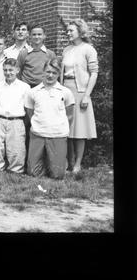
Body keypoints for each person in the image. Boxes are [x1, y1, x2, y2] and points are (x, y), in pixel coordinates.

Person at [25, 59, 75, 179]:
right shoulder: (33, 92)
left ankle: (57, 163)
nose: (50, 75)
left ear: (58, 74)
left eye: (54, 72)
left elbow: (70, 115)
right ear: (43, 71)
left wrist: (58, 127)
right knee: (32, 173)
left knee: (57, 175)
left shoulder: (66, 92)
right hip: (38, 134)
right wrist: (39, 124)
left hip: (58, 134)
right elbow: (30, 112)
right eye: (48, 71)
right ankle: (44, 162)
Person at [61, 19, 98, 174]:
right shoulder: (66, 49)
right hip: (66, 90)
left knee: (80, 130)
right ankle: (67, 163)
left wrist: (86, 96)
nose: (68, 33)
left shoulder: (88, 49)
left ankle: (77, 164)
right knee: (66, 128)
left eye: (71, 30)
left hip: (81, 91)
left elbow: (94, 73)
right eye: (67, 30)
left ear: (80, 31)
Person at [0, 59, 30, 174]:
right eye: (5, 70)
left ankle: (16, 170)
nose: (8, 73)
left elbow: (27, 107)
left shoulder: (25, 87)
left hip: (16, 120)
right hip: (0, 119)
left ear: (17, 70)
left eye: (11, 70)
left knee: (16, 148)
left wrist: (21, 122)